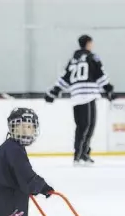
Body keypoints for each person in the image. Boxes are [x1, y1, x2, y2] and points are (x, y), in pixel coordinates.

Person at [44, 35, 115, 165]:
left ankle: (81, 154)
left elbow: (65, 78)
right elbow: (100, 75)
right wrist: (109, 89)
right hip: (89, 94)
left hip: (76, 95)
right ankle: (80, 155)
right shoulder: (92, 57)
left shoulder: (73, 60)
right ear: (88, 43)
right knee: (88, 126)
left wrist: (54, 92)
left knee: (82, 126)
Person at [0, 107, 54, 216]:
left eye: (29, 127)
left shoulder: (11, 146)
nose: (25, 131)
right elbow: (26, 176)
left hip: (3, 201)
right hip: (4, 204)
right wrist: (43, 187)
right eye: (21, 126)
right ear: (12, 128)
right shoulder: (13, 149)